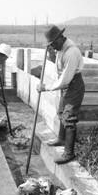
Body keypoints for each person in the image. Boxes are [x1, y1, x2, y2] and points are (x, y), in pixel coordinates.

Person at [37, 25, 85, 164]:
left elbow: (65, 80)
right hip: (67, 85)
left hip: (74, 85)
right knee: (61, 112)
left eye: (53, 44)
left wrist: (46, 87)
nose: (52, 47)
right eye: (50, 45)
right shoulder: (61, 48)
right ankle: (61, 139)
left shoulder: (71, 52)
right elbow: (59, 66)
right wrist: (51, 56)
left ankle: (69, 153)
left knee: (69, 117)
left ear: (60, 38)